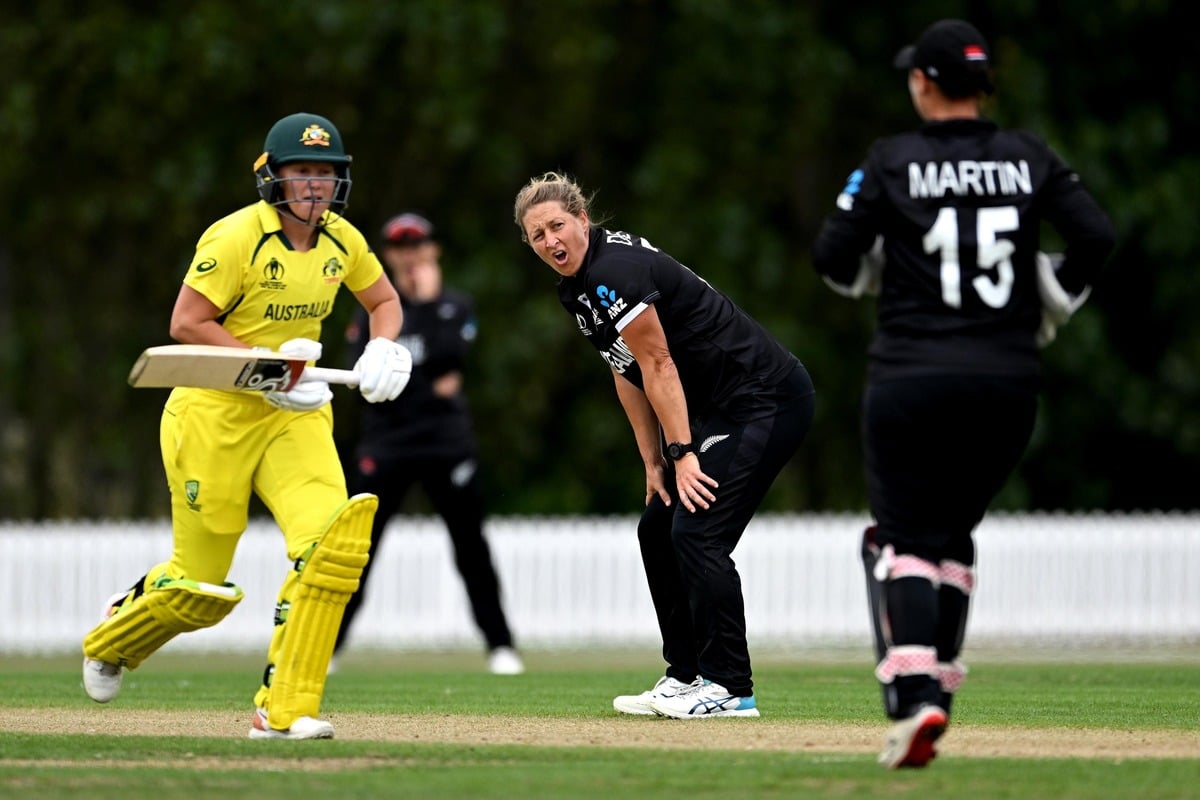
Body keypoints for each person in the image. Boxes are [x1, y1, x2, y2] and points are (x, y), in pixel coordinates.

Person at [811, 19, 1115, 768]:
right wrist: (1047, 300)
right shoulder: (1028, 156)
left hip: (912, 375)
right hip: (1007, 383)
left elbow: (833, 257)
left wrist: (870, 273)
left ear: (922, 83)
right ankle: (937, 696)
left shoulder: (892, 159)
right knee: (949, 535)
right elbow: (1095, 238)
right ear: (984, 86)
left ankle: (915, 698)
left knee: (906, 536)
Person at [80, 112, 414, 740]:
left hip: (298, 417)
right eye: (301, 172)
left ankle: (282, 711)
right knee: (199, 590)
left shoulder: (343, 240)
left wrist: (384, 349)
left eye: (325, 173)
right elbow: (186, 323)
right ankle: (115, 635)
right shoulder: (235, 238)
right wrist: (266, 369)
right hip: (213, 416)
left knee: (331, 552)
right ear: (273, 177)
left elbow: (385, 302)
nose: (314, 186)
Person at [514, 172, 816, 718]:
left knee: (698, 531)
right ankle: (687, 675)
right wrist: (654, 461)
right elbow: (626, 370)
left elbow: (659, 362)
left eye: (557, 225)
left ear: (583, 220)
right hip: (720, 408)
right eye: (537, 235)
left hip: (766, 397)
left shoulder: (612, 271)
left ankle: (730, 688)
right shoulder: (576, 287)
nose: (550, 241)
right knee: (658, 528)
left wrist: (681, 453)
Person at [333, 212, 523, 676]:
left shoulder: (454, 304)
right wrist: (428, 381)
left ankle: (501, 646)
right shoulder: (373, 309)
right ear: (389, 255)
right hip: (388, 443)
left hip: (446, 444)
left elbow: (451, 361)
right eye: (400, 247)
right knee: (358, 549)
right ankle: (329, 648)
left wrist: (430, 302)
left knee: (471, 548)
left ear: (433, 250)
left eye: (418, 245)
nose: (410, 254)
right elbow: (364, 376)